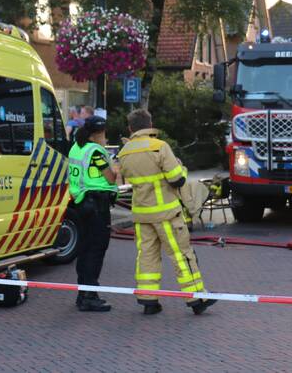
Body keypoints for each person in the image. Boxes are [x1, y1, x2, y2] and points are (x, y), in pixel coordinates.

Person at [117, 108, 215, 316]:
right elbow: (176, 179)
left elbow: (126, 180)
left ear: (130, 128)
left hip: (142, 214)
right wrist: (180, 168)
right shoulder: (159, 147)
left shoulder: (124, 153)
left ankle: (148, 299)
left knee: (147, 255)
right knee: (181, 255)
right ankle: (197, 297)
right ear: (150, 124)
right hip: (166, 214)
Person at [67, 115, 118, 312]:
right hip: (97, 206)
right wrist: (115, 167)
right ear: (98, 134)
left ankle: (83, 293)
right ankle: (89, 296)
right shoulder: (96, 151)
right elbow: (111, 178)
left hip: (81, 204)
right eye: (104, 134)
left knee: (85, 250)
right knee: (96, 251)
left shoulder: (76, 147)